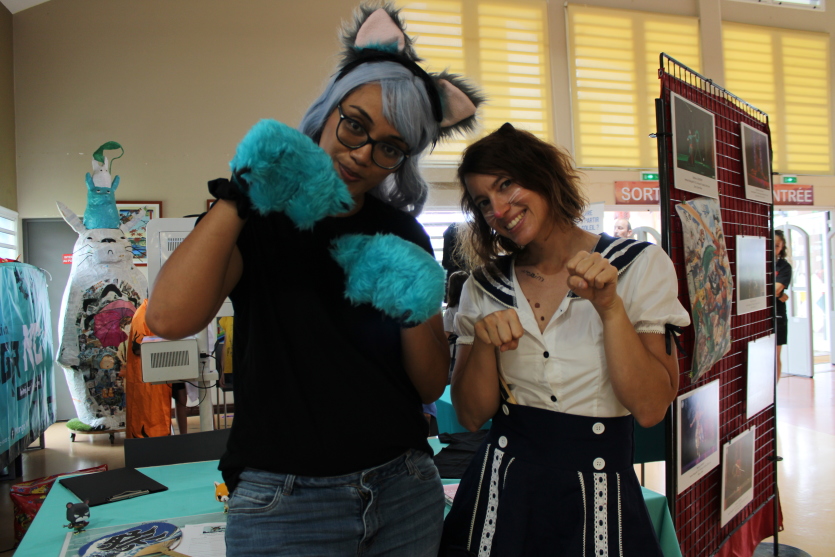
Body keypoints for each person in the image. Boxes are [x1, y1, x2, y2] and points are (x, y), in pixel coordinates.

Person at [146, 4, 483, 556]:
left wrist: (412, 301)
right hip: (285, 502)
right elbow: (168, 319)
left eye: (389, 146)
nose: (362, 154)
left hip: (403, 489)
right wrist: (241, 193)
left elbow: (427, 386)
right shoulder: (259, 218)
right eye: (355, 125)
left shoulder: (401, 232)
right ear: (329, 110)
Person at [439, 123, 690, 556]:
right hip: (501, 491)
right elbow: (471, 415)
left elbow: (651, 409)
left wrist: (610, 309)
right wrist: (483, 343)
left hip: (602, 490)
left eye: (506, 184)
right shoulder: (483, 285)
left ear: (543, 176)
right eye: (483, 202)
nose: (498, 209)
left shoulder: (638, 265)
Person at [443, 270, 469, 381]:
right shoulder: (472, 308)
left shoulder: (451, 310)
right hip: (470, 350)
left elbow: (446, 335)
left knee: (453, 380)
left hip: (454, 353)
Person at [774, 229, 792, 382]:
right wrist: (779, 295)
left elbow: (775, 289)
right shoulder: (758, 262)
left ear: (782, 247)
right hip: (758, 313)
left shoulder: (784, 266)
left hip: (777, 315)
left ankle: (774, 390)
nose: (773, 248)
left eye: (777, 246)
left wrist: (778, 293)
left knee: (775, 354)